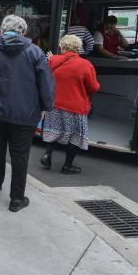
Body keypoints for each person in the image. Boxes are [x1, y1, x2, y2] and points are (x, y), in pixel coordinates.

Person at [0, 14, 55, 212]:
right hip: (25, 113)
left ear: (2, 31)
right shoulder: (34, 52)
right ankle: (16, 199)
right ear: (23, 32)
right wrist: (46, 107)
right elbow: (46, 84)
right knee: (20, 155)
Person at [40, 35, 100, 174]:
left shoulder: (53, 60)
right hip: (75, 107)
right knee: (75, 136)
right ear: (78, 48)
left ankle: (47, 155)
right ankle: (67, 165)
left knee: (53, 131)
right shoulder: (85, 64)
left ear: (64, 47)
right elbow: (94, 87)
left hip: (54, 105)